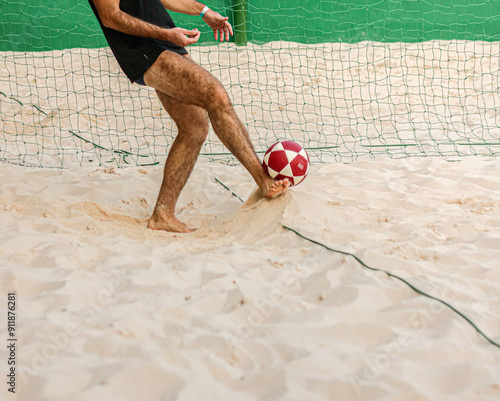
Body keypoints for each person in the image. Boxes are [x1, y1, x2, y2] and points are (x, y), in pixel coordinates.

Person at [88, 0, 289, 233]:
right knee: (216, 95)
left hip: (165, 43)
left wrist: (204, 12)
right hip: (143, 49)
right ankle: (263, 180)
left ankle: (162, 214)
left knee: (194, 127)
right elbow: (110, 16)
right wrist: (166, 33)